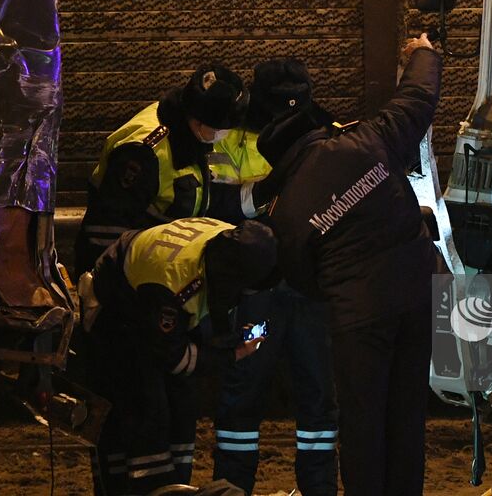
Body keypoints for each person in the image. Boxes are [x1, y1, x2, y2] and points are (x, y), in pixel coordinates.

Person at [256, 34, 441, 496]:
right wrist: (423, 51)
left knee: (363, 425)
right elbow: (418, 97)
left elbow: (302, 278)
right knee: (406, 420)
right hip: (417, 300)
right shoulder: (369, 139)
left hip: (358, 321)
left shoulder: (287, 210)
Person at [208, 60, 339, 496]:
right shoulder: (226, 137)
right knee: (243, 392)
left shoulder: (328, 133)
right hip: (255, 288)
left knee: (319, 396)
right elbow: (215, 205)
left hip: (306, 287)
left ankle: (318, 489)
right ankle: (231, 487)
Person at [84, 216, 275, 495]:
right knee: (145, 408)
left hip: (146, 290)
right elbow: (174, 358)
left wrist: (226, 339)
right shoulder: (174, 285)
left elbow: (211, 306)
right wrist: (233, 353)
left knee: (182, 407)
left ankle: (174, 484)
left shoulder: (224, 240)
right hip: (117, 310)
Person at [75, 64, 246, 273]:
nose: (223, 135)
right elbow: (107, 228)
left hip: (157, 261)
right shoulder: (143, 154)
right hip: (123, 272)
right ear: (199, 120)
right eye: (220, 129)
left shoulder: (184, 127)